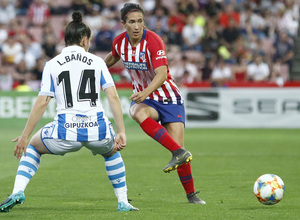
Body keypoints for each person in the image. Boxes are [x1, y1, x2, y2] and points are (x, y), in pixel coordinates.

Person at [0, 11, 138, 213]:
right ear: (84, 40)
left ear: (66, 40)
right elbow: (113, 97)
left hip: (66, 131)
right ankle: (123, 201)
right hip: (97, 129)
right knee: (111, 152)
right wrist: (121, 131)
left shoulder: (52, 64)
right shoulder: (98, 62)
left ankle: (18, 191)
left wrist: (25, 136)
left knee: (34, 147)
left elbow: (42, 102)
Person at [104, 3, 205, 204]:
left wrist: (144, 92)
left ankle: (191, 195)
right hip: (147, 100)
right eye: (132, 22)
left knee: (181, 149)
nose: (136, 26)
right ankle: (177, 153)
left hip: (169, 99)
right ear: (123, 24)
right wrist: (92, 69)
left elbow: (161, 74)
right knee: (136, 111)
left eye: (140, 21)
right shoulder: (119, 43)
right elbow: (109, 59)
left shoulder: (153, 41)